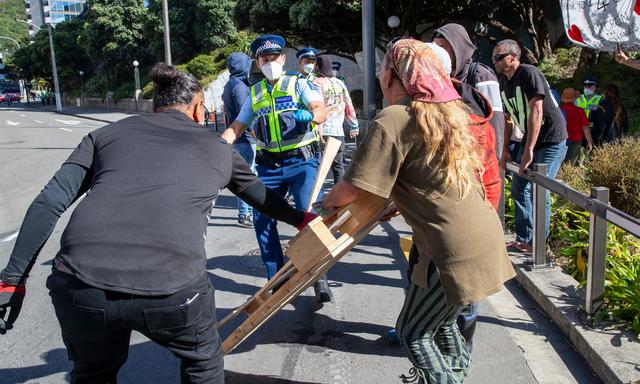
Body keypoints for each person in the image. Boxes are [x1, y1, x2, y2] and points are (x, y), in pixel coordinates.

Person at [0, 63, 317, 383]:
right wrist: (303, 218)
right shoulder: (217, 148)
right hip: (174, 290)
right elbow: (261, 197)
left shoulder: (104, 135)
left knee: (92, 373)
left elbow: (49, 202)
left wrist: (12, 279)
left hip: (81, 285)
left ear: (155, 106)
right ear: (197, 109)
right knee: (203, 365)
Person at [322, 38, 515, 384]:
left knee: (412, 333)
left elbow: (350, 190)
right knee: (439, 325)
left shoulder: (394, 118)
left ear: (392, 76)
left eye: (382, 67)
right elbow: (432, 178)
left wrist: (325, 203)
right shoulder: (448, 114)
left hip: (451, 248)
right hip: (483, 235)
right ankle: (455, 374)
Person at [221, 35, 333, 302]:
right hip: (269, 165)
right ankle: (277, 276)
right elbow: (236, 127)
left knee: (308, 219)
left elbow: (320, 109)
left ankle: (319, 276)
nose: (270, 63)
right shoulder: (255, 92)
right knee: (262, 218)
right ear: (258, 62)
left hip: (301, 162)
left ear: (283, 59)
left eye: (274, 58)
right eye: (264, 59)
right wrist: (216, 145)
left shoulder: (299, 84)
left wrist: (313, 118)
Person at [494, 39, 567, 253]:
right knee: (518, 186)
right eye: (494, 58)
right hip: (531, 138)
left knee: (539, 189)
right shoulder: (504, 82)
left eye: (499, 57)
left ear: (513, 57)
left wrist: (528, 151)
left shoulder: (528, 73)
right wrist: (505, 148)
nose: (495, 61)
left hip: (551, 139)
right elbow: (508, 119)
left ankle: (538, 247)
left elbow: (537, 112)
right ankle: (524, 238)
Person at [432, 23, 505, 159]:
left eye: (443, 47)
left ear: (458, 48)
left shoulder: (480, 75)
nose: (438, 53)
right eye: (435, 48)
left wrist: (493, 161)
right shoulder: (442, 79)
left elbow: (496, 121)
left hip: (480, 159)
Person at [223, 52, 257, 227]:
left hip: (237, 138)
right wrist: (255, 136)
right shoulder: (240, 87)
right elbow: (246, 116)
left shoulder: (230, 84)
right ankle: (245, 214)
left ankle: (247, 213)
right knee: (248, 178)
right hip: (244, 138)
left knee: (244, 176)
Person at [313, 55, 359, 184]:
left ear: (318, 67)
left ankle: (317, 197)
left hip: (321, 131)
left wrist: (317, 128)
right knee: (338, 166)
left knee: (318, 168)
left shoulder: (316, 83)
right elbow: (348, 106)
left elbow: (316, 107)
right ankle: (338, 200)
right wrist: (353, 125)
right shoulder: (340, 83)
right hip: (338, 132)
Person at [560, 88, 593, 166]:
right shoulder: (579, 111)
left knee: (560, 164)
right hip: (575, 141)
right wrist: (589, 142)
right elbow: (585, 128)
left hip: (561, 140)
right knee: (570, 165)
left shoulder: (559, 110)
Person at [575, 77, 607, 145]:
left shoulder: (600, 99)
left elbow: (603, 114)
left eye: (589, 86)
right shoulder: (578, 98)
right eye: (585, 86)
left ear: (594, 87)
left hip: (593, 130)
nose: (586, 88)